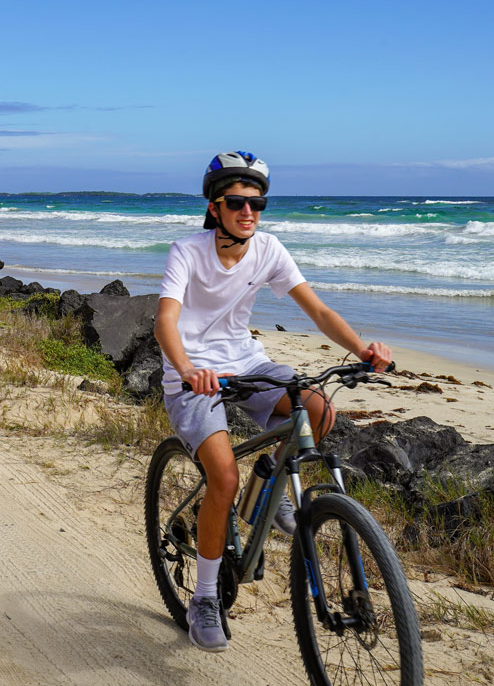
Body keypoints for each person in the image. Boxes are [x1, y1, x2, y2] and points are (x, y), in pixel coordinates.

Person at [154, 151, 392, 653]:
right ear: (215, 207)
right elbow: (166, 322)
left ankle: (265, 492)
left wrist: (362, 349)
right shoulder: (188, 251)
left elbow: (319, 311)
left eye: (257, 203)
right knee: (222, 475)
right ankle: (203, 597)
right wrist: (187, 370)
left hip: (247, 363)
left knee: (319, 411)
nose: (249, 212)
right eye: (237, 202)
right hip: (193, 376)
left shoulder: (268, 249)